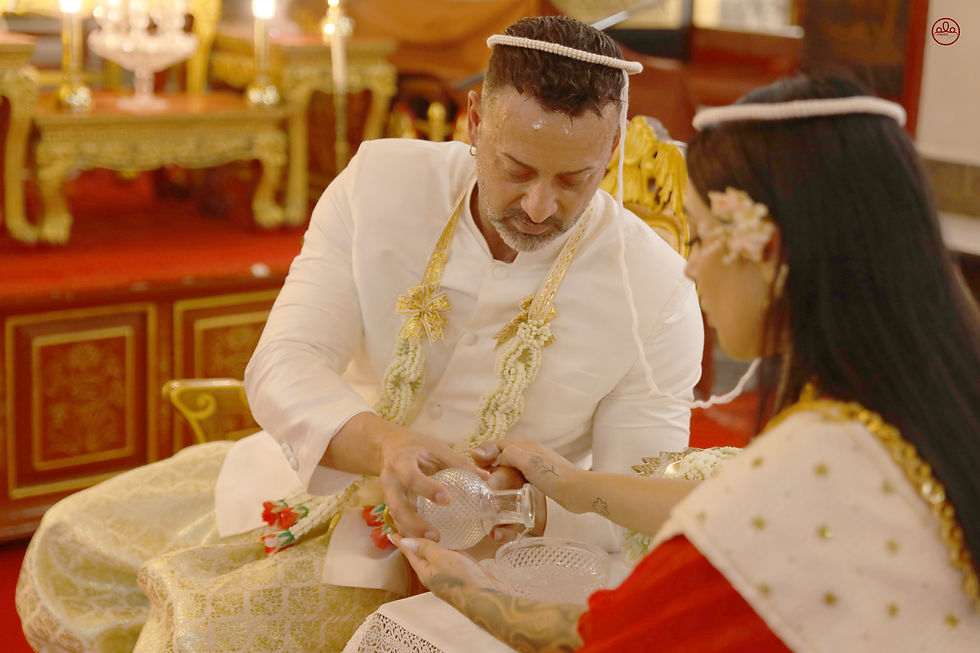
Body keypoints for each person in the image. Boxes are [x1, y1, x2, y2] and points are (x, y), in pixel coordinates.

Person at [16, 16, 704, 653]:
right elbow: (284, 359)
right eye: (516, 168)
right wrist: (386, 443)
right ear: (472, 124)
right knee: (64, 545)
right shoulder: (381, 183)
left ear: (612, 149)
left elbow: (634, 508)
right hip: (321, 471)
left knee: (193, 630)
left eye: (574, 180)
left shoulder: (657, 288)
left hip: (482, 555)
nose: (538, 205)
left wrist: (519, 503)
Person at [389, 74, 980, 652]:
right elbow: (749, 508)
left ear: (766, 251)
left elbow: (617, 636)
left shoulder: (825, 448)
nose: (690, 269)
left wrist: (468, 590)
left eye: (696, 235)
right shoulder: (917, 397)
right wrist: (576, 487)